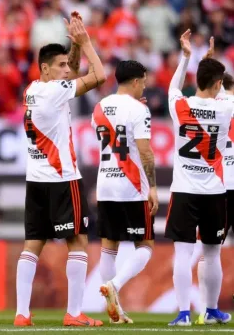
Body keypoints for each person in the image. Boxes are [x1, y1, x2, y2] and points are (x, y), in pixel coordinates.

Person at [14, 14, 106, 327]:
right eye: (61, 65)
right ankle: (74, 313)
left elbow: (76, 73)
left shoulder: (32, 89)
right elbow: (99, 75)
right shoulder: (55, 92)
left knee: (32, 246)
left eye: (67, 65)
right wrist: (86, 42)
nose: (67, 70)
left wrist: (72, 48)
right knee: (78, 242)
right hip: (62, 178)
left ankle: (22, 314)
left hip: (35, 179)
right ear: (45, 69)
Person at [165, 30, 233, 326]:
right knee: (212, 253)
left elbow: (174, 85)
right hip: (215, 192)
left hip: (184, 190)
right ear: (218, 83)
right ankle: (212, 309)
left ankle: (183, 313)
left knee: (183, 253)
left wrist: (187, 57)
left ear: (197, 81)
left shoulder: (180, 105)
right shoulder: (227, 107)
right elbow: (224, 92)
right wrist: (211, 66)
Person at [92, 60, 158, 324]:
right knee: (146, 245)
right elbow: (144, 151)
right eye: (143, 80)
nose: (145, 84)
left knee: (109, 245)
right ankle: (115, 285)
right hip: (132, 186)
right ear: (134, 81)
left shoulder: (99, 107)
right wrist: (152, 186)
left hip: (105, 182)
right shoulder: (139, 109)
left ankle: (113, 308)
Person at [197, 71, 234, 325]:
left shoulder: (210, 106)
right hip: (222, 184)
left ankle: (207, 309)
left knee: (209, 250)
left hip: (220, 186)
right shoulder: (224, 105)